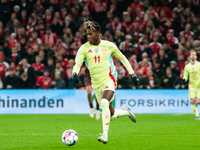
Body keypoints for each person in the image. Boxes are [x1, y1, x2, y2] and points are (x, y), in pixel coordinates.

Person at [72, 21, 139, 144]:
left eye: (90, 34)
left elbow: (122, 58)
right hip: (96, 84)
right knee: (111, 114)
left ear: (98, 34)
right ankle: (126, 112)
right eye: (87, 34)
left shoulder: (109, 46)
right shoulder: (84, 48)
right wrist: (75, 74)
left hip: (109, 79)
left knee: (103, 102)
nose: (88, 36)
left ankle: (105, 135)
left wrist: (132, 74)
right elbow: (77, 64)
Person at [183, 50, 200, 120]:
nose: (193, 56)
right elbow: (185, 75)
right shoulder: (187, 66)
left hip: (199, 86)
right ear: (189, 56)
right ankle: (197, 115)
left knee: (199, 101)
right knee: (192, 101)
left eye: (194, 54)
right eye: (191, 54)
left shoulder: (199, 65)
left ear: (196, 56)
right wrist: (185, 78)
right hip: (192, 86)